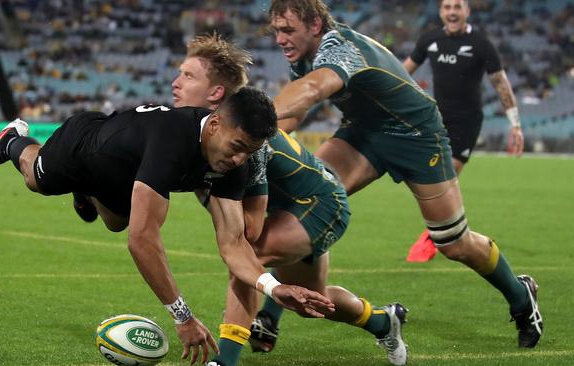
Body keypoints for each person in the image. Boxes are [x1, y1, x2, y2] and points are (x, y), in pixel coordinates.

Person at [0, 87, 336, 365]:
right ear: (217, 123)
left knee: (116, 221)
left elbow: (234, 243)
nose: (240, 158)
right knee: (36, 179)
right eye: (238, 145)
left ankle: (87, 194)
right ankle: (10, 141)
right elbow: (143, 242)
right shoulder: (173, 140)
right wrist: (183, 316)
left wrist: (274, 289)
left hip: (122, 170)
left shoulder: (233, 162)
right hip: (82, 148)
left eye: (250, 151)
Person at [259, 0, 543, 353]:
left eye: (288, 30)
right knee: (302, 199)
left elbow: (314, 90)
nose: (280, 39)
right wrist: (257, 146)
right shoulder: (301, 56)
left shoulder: (341, 47)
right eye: (276, 31)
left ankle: (521, 296)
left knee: (453, 242)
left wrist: (251, 121)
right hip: (364, 133)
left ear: (315, 24)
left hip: (417, 136)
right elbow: (293, 115)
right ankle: (270, 316)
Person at [172, 34, 408, 366]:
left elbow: (249, 231)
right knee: (312, 302)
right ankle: (383, 320)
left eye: (188, 75)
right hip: (288, 211)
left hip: (322, 203)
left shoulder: (243, 137)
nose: (175, 83)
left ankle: (224, 362)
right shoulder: (205, 128)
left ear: (216, 94)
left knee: (249, 253)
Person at [402, 0, 525, 262]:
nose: (452, 12)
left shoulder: (481, 44)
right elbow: (402, 72)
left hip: (466, 122)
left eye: (458, 6)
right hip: (436, 119)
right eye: (447, 7)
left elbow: (500, 83)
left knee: (448, 175)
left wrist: (515, 124)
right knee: (431, 178)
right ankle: (442, 230)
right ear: (441, 12)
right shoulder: (429, 40)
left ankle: (432, 237)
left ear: (467, 11)